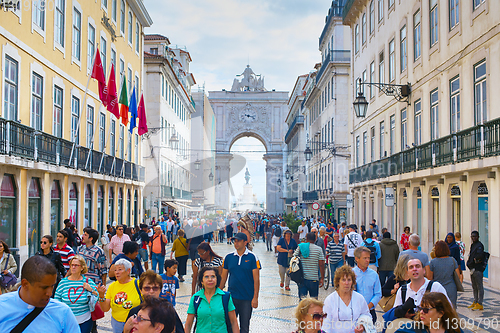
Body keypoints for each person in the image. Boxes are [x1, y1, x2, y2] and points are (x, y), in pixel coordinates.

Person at [0, 255, 79, 332]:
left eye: (52, 286)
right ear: (25, 284)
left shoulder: (63, 313)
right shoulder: (2, 306)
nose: (50, 293)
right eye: (44, 287)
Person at [221, 232, 260, 333]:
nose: (236, 243)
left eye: (239, 241)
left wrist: (255, 297)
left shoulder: (252, 257)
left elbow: (256, 279)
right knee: (229, 325)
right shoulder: (228, 257)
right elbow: (223, 278)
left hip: (247, 298)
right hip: (231, 297)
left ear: (245, 242)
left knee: (244, 326)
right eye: (235, 241)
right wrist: (217, 293)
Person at [185, 266, 240, 333]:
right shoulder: (196, 298)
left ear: (217, 279)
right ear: (202, 281)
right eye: (206, 277)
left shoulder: (225, 297)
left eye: (213, 276)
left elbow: (234, 322)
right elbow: (188, 324)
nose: (210, 279)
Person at [54, 255, 98, 333]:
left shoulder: (87, 281)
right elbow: (57, 301)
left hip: (85, 320)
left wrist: (90, 289)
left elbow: (97, 295)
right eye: (72, 265)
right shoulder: (63, 283)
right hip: (67, 320)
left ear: (82, 268)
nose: (73, 267)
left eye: (76, 265)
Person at [97, 259, 143, 333]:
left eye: (120, 269)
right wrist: (101, 296)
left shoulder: (138, 284)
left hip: (136, 323)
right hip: (117, 324)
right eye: (115, 270)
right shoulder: (112, 286)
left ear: (128, 271)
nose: (117, 272)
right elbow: (105, 309)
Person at [323, 265, 370, 333]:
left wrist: (362, 325)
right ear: (338, 281)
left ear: (352, 282)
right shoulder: (330, 300)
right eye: (343, 280)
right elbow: (326, 324)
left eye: (349, 280)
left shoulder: (359, 298)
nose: (346, 283)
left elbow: (367, 315)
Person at [394, 292, 462, 333]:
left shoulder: (454, 330)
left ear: (441, 313)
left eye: (426, 309)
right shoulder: (409, 329)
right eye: (421, 308)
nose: (421, 312)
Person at [353, 246, 382, 324]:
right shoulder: (351, 274)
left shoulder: (374, 275)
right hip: (354, 312)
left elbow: (378, 294)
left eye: (368, 258)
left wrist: (368, 306)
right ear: (357, 259)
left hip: (370, 312)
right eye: (365, 258)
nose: (368, 260)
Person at [428, 241, 460, 309]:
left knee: (439, 309)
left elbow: (430, 278)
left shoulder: (433, 262)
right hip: (451, 288)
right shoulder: (452, 260)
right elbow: (458, 276)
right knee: (451, 309)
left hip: (437, 289)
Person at [294, 232, 325, 300]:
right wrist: (322, 278)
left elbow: (294, 257)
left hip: (302, 278)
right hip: (314, 279)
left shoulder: (301, 246)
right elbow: (321, 264)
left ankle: (302, 310)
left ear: (306, 239)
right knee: (314, 300)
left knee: (302, 300)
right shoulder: (319, 249)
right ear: (315, 239)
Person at [466, 230, 486, 311]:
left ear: (478, 237)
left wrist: (473, 261)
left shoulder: (479, 245)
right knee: (474, 286)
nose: (474, 238)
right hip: (472, 268)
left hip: (477, 269)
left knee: (479, 286)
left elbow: (479, 256)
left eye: (475, 236)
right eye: (472, 236)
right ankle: (475, 301)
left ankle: (480, 303)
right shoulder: (473, 245)